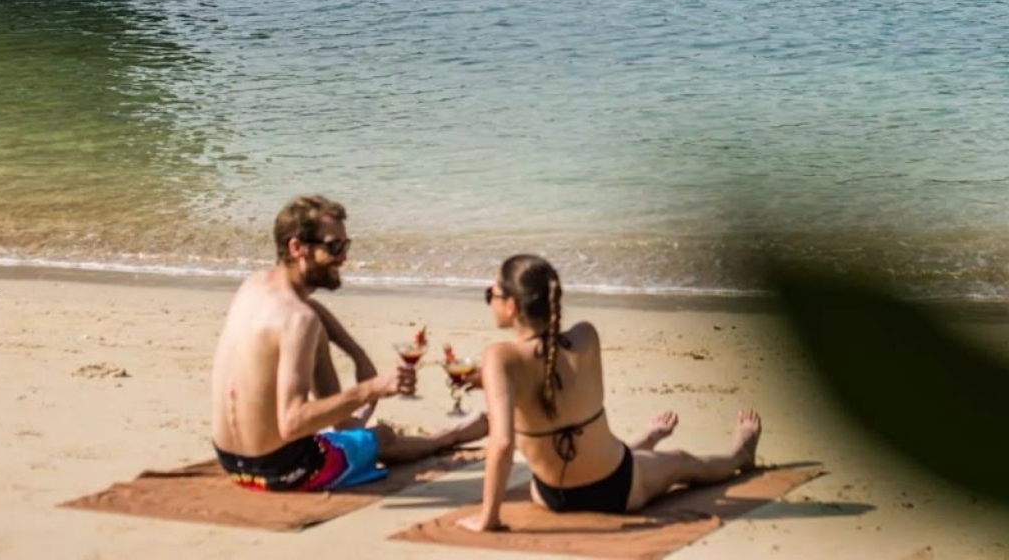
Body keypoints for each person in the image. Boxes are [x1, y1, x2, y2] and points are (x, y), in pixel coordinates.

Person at [459, 254, 761, 531]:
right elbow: (552, 385)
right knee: (683, 462)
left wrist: (489, 519)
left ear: (511, 306)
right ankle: (739, 455)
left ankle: (645, 442)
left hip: (550, 494)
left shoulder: (499, 359)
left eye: (491, 295)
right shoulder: (586, 336)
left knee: (613, 451)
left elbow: (504, 440)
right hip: (617, 489)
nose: (490, 301)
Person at [209, 194, 485, 491]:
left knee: (317, 338)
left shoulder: (257, 284)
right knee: (383, 437)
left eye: (345, 245)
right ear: (297, 248)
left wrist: (356, 354)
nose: (344, 257)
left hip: (230, 461)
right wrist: (374, 388)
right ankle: (451, 435)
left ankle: (346, 426)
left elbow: (309, 310)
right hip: (283, 471)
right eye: (334, 246)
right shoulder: (299, 321)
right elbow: (292, 423)